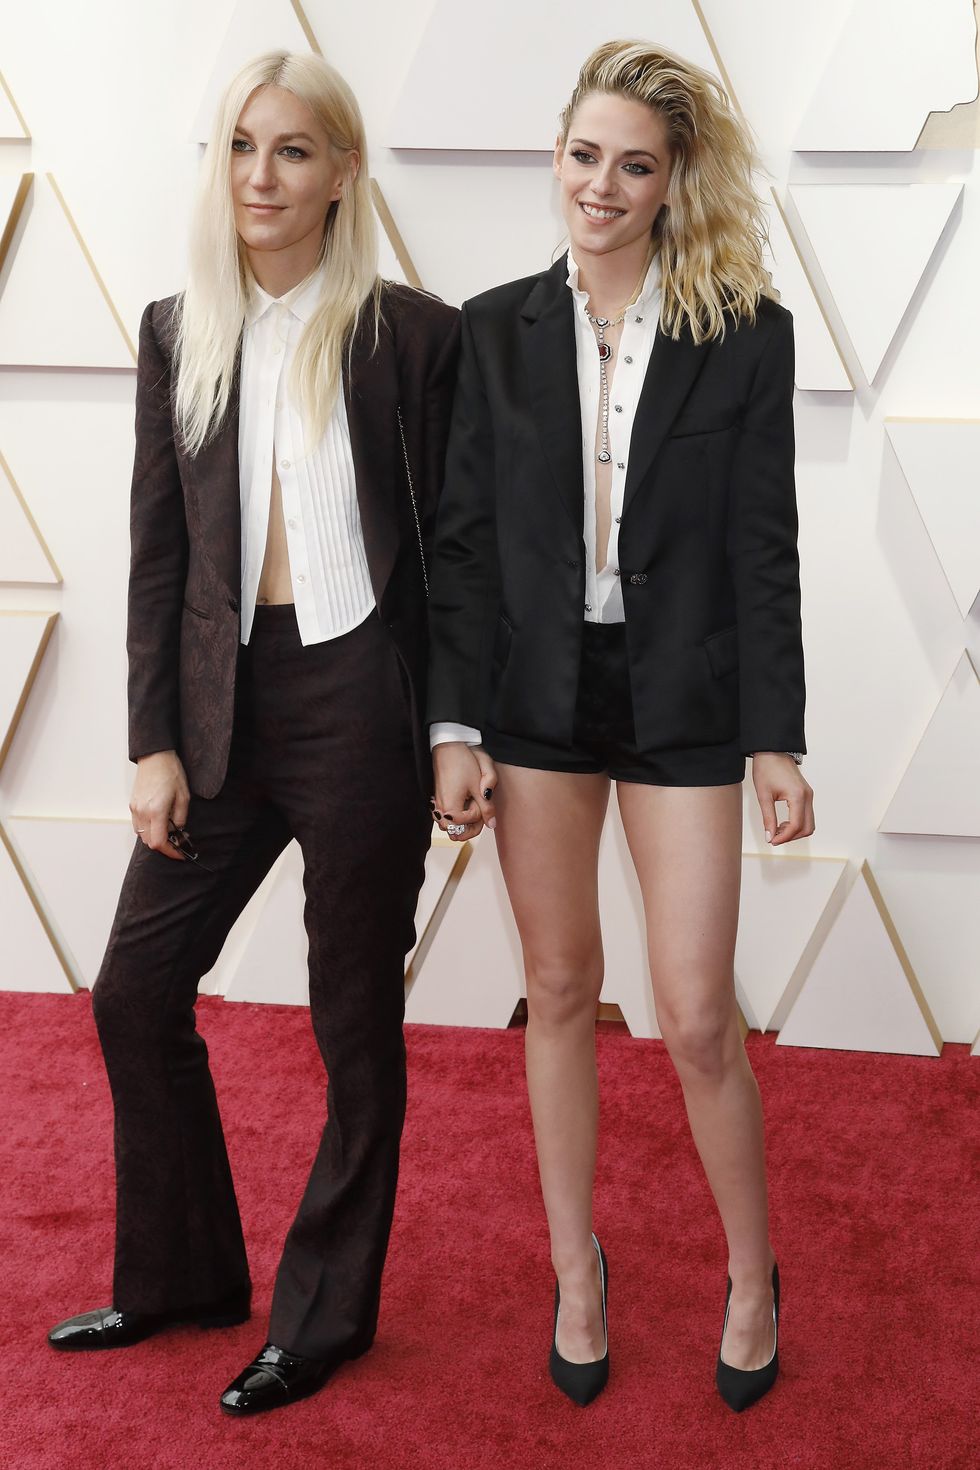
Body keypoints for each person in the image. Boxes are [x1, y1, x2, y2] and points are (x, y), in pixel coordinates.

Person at [46, 51, 459, 1417]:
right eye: (240, 148)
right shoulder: (181, 330)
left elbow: (456, 559)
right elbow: (156, 556)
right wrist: (149, 739)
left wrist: (455, 725)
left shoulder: (412, 335)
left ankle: (322, 1314)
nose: (260, 177)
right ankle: (183, 1274)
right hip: (222, 713)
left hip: (359, 701)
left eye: (291, 151)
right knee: (133, 990)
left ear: (342, 171)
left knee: (354, 1023)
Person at [427, 39, 813, 1412]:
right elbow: (464, 547)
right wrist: (453, 724)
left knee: (697, 1011)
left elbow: (763, 544)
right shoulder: (492, 330)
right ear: (557, 156)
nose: (601, 184)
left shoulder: (746, 333)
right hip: (533, 699)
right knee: (561, 985)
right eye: (583, 155)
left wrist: (779, 735)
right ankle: (574, 1268)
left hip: (689, 700)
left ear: (669, 182)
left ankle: (754, 1274)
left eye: (633, 164)